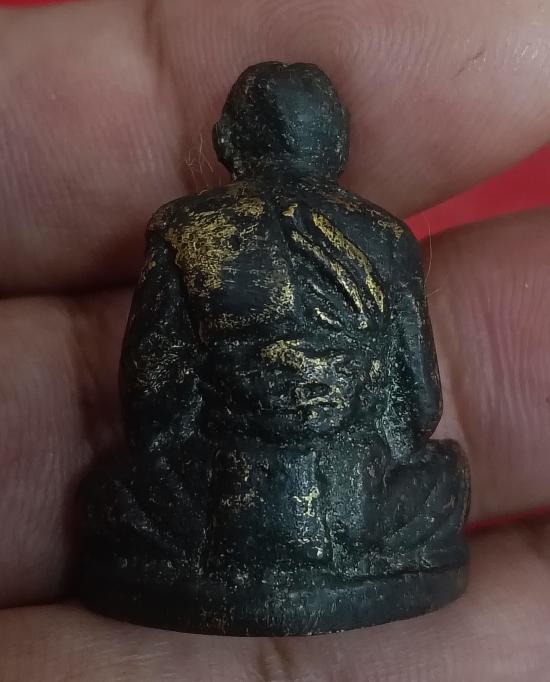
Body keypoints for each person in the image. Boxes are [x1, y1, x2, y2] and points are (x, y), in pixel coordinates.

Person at [1, 0, 549, 678]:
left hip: (212, 512)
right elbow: (416, 405)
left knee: (108, 491)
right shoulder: (383, 237)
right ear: (337, 147)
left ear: (226, 140)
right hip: (363, 509)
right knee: (446, 474)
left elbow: (151, 402)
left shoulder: (187, 232)